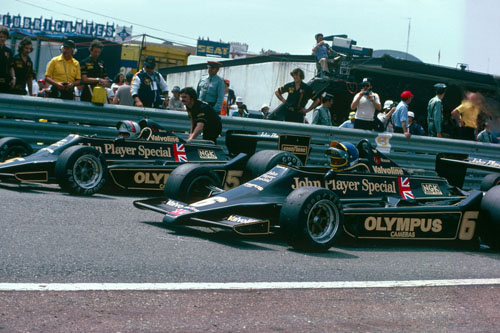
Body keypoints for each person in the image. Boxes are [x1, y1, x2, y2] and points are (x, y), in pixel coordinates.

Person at [0, 27, 15, 94]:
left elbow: (11, 66)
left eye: (4, 37)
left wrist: (13, 78)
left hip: (4, 81)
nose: (2, 39)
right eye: (0, 37)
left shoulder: (8, 51)